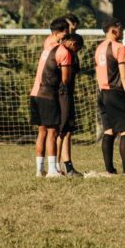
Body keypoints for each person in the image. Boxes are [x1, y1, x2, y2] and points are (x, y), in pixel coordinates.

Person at [95, 17, 125, 175]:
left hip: (102, 93)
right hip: (116, 93)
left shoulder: (99, 48)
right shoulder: (119, 48)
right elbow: (124, 77)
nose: (122, 32)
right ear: (113, 30)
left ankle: (109, 169)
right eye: (120, 29)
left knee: (109, 130)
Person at [30, 18, 69, 177]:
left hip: (35, 93)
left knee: (42, 132)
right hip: (47, 95)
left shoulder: (47, 44)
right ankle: (52, 170)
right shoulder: (62, 51)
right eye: (65, 32)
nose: (67, 35)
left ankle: (40, 170)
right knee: (52, 131)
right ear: (58, 33)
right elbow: (65, 79)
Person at [55, 33, 84, 177]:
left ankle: (66, 166)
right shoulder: (63, 52)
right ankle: (55, 166)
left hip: (67, 94)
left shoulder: (70, 53)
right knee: (61, 130)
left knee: (66, 130)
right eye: (77, 49)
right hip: (63, 94)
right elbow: (65, 79)